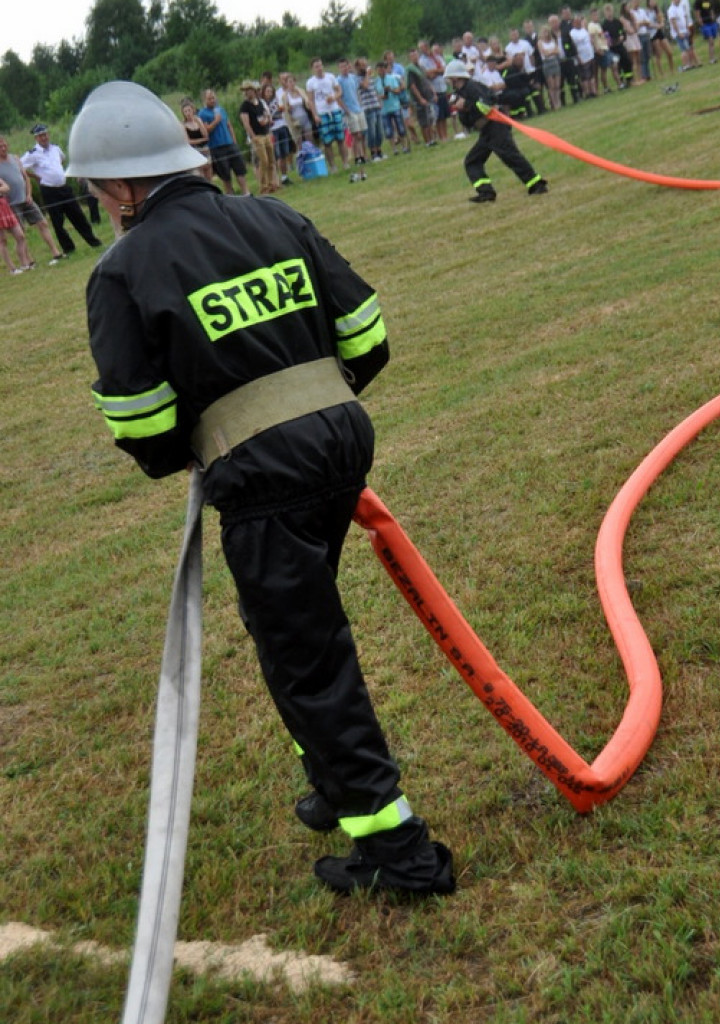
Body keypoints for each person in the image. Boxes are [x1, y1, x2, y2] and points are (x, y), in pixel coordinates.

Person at [67, 80, 456, 897]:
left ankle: (401, 855)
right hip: (341, 445)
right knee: (297, 630)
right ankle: (331, 782)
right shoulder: (275, 216)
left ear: (124, 187)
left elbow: (143, 427)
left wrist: (217, 435)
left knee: (307, 661)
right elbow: (369, 337)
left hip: (263, 476)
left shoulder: (121, 270)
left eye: (99, 191)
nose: (102, 205)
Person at [443, 59, 548, 203]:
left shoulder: (472, 88)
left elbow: (486, 106)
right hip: (486, 131)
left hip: (495, 127)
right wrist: (461, 108)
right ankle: (486, 193)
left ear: (455, 77)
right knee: (472, 161)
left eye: (449, 78)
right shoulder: (461, 92)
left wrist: (466, 105)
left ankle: (537, 184)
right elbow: (467, 121)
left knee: (510, 156)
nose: (448, 82)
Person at [21, 124, 102, 255]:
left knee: (78, 216)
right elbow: (20, 167)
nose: (44, 138)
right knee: (58, 221)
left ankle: (93, 240)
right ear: (36, 138)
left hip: (64, 188)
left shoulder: (55, 149)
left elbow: (62, 160)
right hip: (49, 190)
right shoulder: (33, 154)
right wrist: (35, 176)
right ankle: (68, 248)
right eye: (41, 136)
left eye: (45, 135)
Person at [0, 134, 63, 264]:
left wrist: (29, 194)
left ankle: (55, 252)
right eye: (0, 146)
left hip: (26, 199)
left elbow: (26, 177)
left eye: (4, 144)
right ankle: (28, 260)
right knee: (20, 233)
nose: (3, 147)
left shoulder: (15, 158)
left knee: (43, 223)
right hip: (11, 203)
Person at [198, 90, 250, 195]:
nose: (212, 100)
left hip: (229, 144)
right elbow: (205, 130)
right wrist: (215, 121)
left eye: (213, 98)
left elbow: (228, 125)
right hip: (217, 147)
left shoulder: (221, 110)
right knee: (225, 174)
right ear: (204, 100)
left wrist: (234, 141)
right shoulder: (202, 113)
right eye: (209, 99)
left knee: (240, 170)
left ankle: (246, 193)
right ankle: (230, 194)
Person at [306, 58, 349, 172]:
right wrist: (315, 115)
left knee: (340, 138)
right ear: (313, 69)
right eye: (316, 67)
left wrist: (334, 97)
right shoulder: (310, 82)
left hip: (334, 110)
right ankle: (333, 166)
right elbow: (310, 101)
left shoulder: (330, 77)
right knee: (327, 141)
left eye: (320, 66)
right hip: (322, 113)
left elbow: (339, 91)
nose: (319, 68)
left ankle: (345, 163)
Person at [238, 80, 277, 195]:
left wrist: (267, 121)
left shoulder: (260, 102)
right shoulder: (245, 106)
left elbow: (266, 115)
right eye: (246, 91)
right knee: (263, 161)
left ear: (254, 91)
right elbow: (246, 123)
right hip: (257, 136)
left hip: (266, 133)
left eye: (249, 90)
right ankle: (263, 186)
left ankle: (272, 184)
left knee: (271, 160)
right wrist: (253, 136)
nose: (248, 93)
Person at [337, 57, 368, 168]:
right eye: (341, 67)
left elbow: (361, 88)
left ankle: (363, 155)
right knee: (355, 135)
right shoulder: (338, 80)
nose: (344, 68)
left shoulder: (353, 78)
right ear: (339, 68)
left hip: (358, 108)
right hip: (349, 111)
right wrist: (346, 110)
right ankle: (357, 157)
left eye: (345, 66)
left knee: (361, 134)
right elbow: (338, 98)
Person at [0, 178, 33, 274]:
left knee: (20, 236)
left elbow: (6, 187)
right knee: (2, 240)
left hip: (4, 206)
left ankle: (24, 264)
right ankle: (12, 268)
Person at [180, 97, 212, 180]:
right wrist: (201, 140)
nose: (188, 113)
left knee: (208, 173)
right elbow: (188, 141)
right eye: (185, 111)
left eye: (189, 111)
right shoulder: (183, 125)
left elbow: (206, 135)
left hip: (205, 149)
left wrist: (198, 122)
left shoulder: (198, 120)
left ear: (193, 110)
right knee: (199, 174)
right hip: (195, 151)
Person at [537, 24, 563, 109]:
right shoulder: (540, 42)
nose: (546, 34)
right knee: (551, 85)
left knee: (557, 84)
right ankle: (554, 103)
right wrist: (552, 52)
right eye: (544, 32)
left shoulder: (552, 41)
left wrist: (550, 52)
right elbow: (544, 53)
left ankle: (558, 101)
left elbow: (557, 51)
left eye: (547, 32)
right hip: (547, 63)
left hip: (554, 62)